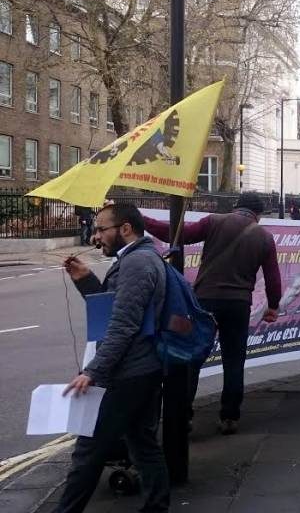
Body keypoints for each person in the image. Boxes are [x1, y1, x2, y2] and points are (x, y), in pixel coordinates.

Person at [58, 203, 170, 513]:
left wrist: (93, 372)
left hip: (129, 372)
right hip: (142, 367)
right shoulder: (137, 258)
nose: (96, 237)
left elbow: (123, 326)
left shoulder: (138, 262)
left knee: (88, 450)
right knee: (142, 444)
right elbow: (114, 311)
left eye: (101, 229)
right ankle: (157, 507)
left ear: (125, 229)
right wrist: (85, 279)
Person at [143, 192, 281, 434]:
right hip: (238, 304)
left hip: (205, 300)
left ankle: (183, 416)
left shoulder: (214, 221)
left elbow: (176, 234)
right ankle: (229, 417)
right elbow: (273, 277)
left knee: (192, 357)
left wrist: (141, 219)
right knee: (234, 360)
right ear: (258, 214)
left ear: (237, 206)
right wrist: (272, 306)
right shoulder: (264, 237)